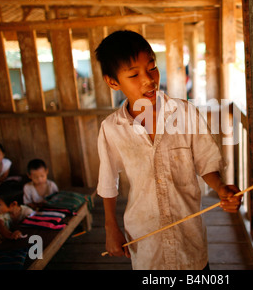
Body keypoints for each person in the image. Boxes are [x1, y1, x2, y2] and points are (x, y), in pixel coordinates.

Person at [95, 30, 242, 270]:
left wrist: (221, 188)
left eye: (152, 67)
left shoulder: (185, 113)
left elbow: (205, 163)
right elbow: (108, 182)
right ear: (113, 82)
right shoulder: (112, 129)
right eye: (134, 74)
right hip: (146, 244)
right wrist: (110, 227)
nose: (149, 79)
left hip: (189, 242)